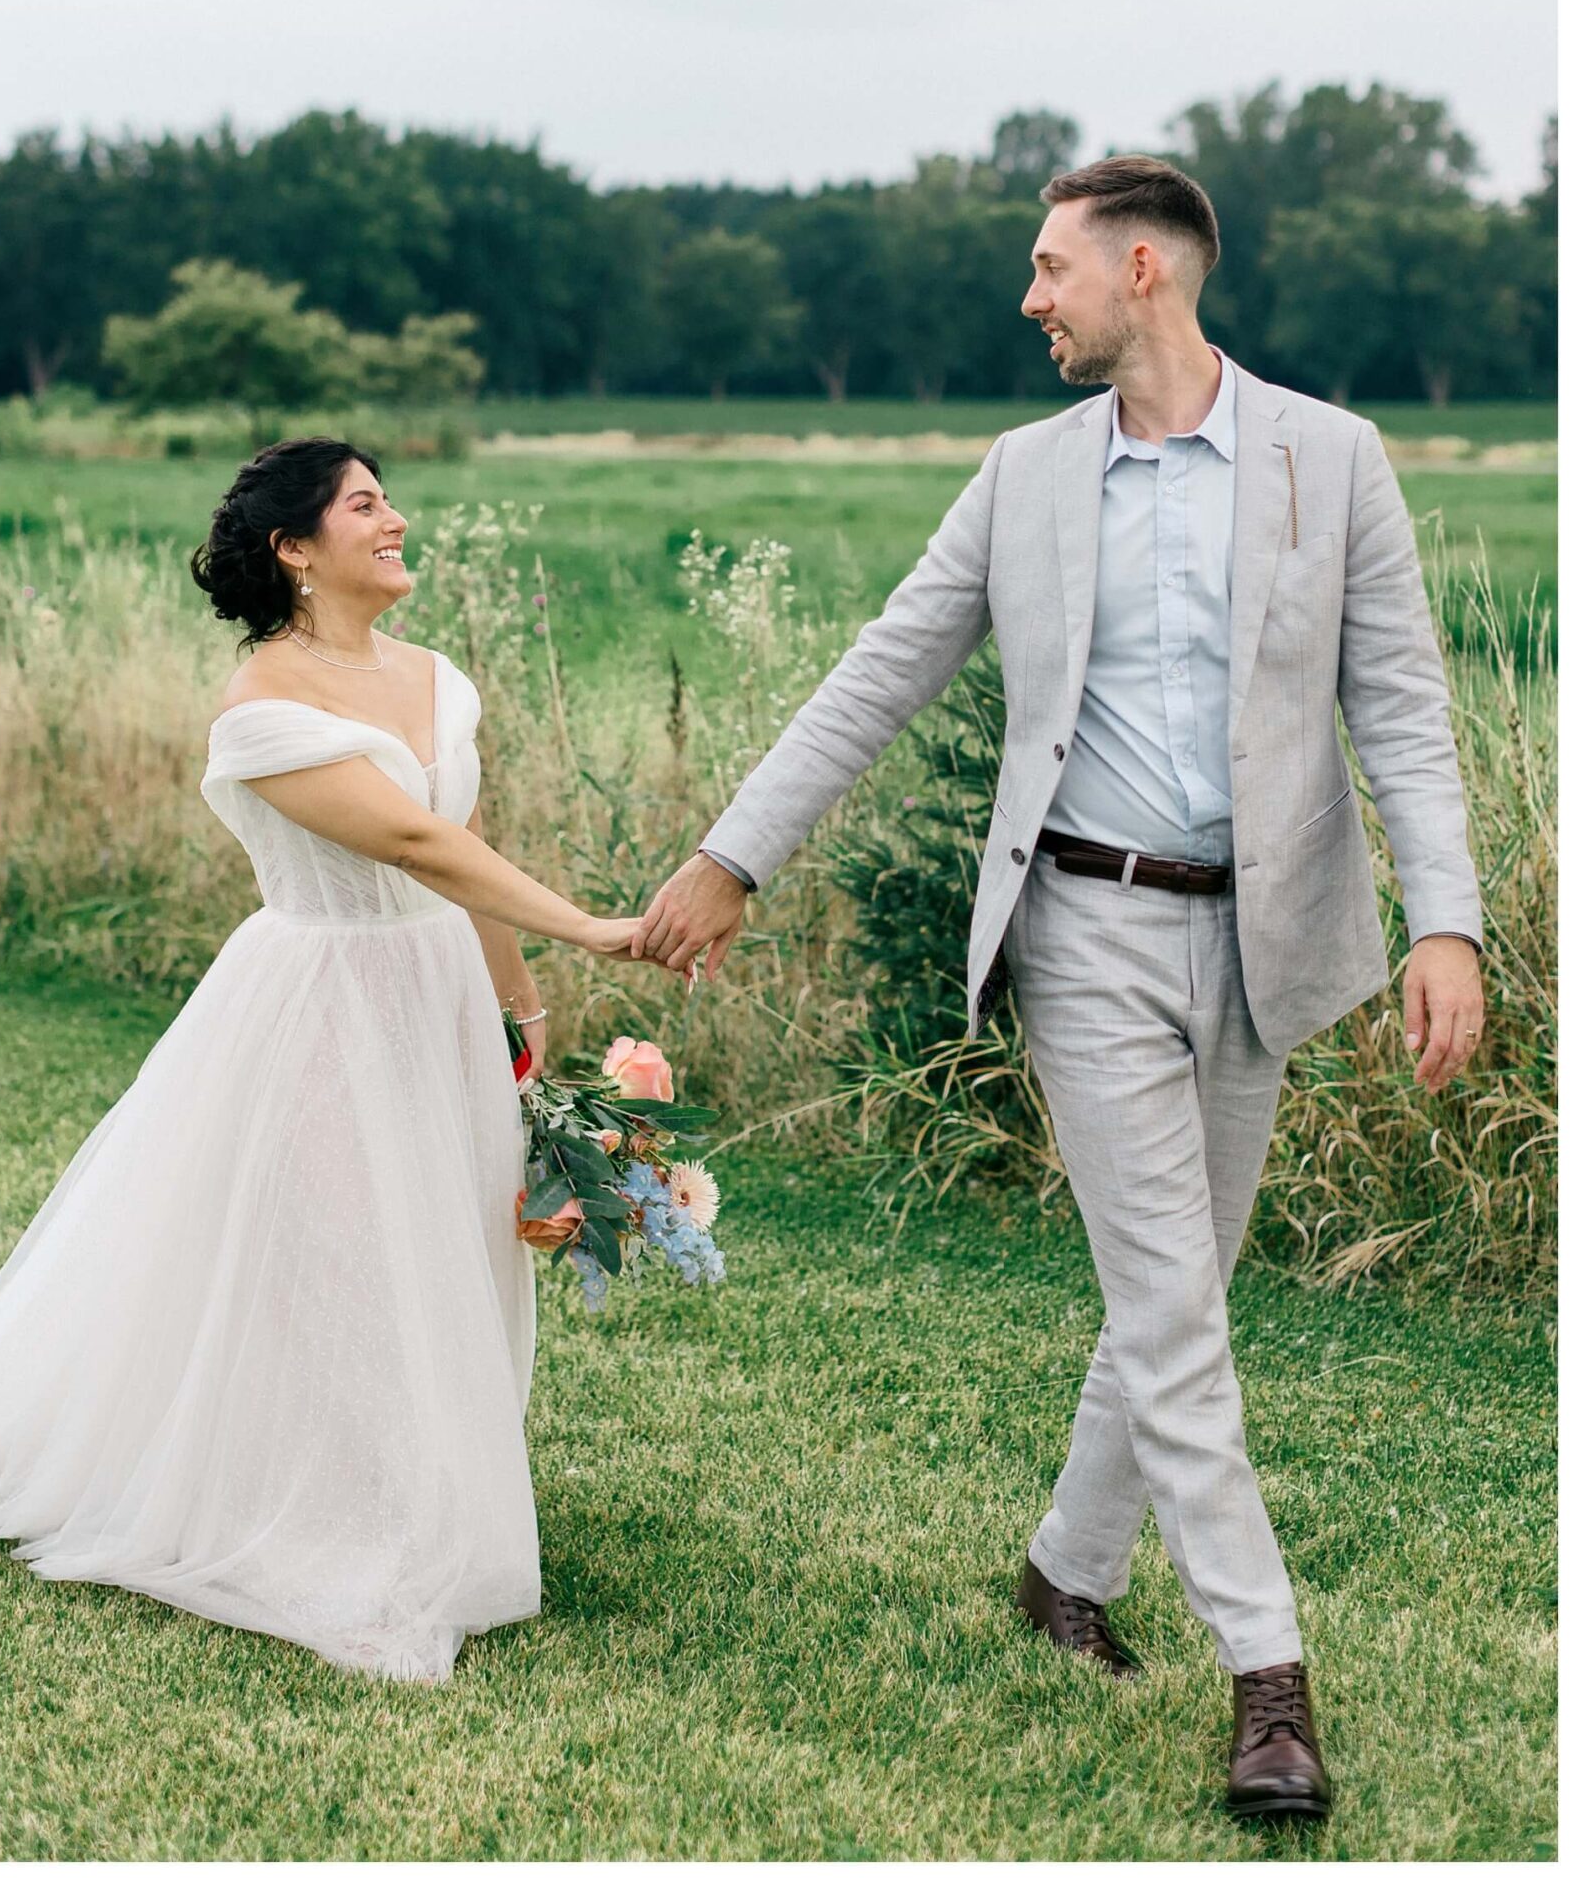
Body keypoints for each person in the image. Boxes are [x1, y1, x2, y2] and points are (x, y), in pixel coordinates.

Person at [633, 155, 1485, 1822]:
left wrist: (1440, 920)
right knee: (1171, 1305)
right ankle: (1267, 1683)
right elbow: (882, 666)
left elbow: (1399, 702)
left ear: (1144, 270)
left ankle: (1058, 1573)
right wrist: (734, 854)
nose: (1030, 298)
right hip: (1078, 930)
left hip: (1266, 936)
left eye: (1049, 269)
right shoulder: (1021, 477)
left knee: (1171, 1290)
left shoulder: (1333, 458)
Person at [0, 437, 654, 1682]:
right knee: (334, 1250)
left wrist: (518, 991)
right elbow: (408, 841)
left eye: (387, 497)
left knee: (441, 1240)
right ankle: (317, 1516)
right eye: (363, 504)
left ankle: (424, 1489)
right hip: (321, 997)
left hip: (437, 996)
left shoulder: (439, 680)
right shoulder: (263, 707)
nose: (395, 519)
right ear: (294, 547)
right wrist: (602, 928)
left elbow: (464, 841)